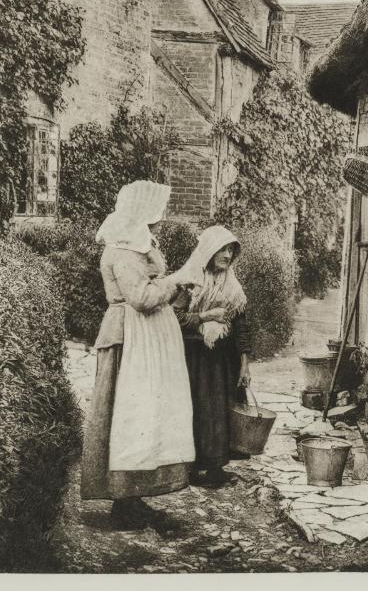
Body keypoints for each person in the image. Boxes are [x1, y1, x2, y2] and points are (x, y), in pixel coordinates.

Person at [80, 180, 207, 529]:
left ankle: (133, 497)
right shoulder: (122, 250)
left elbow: (158, 293)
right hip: (129, 337)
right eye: (155, 215)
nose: (159, 221)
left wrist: (182, 291)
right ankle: (122, 500)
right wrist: (176, 278)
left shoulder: (139, 244)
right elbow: (141, 298)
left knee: (147, 415)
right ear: (139, 213)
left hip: (148, 336)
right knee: (126, 414)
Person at [174, 226, 252, 489]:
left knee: (219, 412)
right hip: (192, 357)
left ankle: (217, 468)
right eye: (222, 249)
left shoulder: (233, 287)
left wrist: (244, 364)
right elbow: (175, 318)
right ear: (208, 250)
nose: (228, 255)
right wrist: (204, 318)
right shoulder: (190, 283)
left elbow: (241, 328)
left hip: (221, 361)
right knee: (195, 409)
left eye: (231, 250)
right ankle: (193, 467)